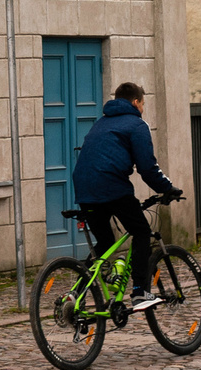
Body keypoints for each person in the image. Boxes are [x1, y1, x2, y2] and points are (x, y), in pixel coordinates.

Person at [69, 81, 185, 311]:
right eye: (143, 104)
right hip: (111, 187)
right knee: (141, 232)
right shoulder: (136, 124)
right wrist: (167, 188)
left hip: (83, 188)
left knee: (105, 243)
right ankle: (140, 292)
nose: (143, 108)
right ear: (136, 102)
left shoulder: (100, 123)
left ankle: (76, 293)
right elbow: (147, 167)